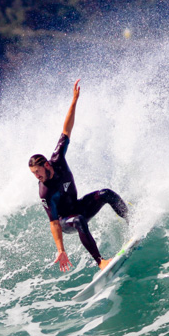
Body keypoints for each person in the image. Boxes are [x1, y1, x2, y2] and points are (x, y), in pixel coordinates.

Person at [29, 79, 128, 272]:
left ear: (46, 165)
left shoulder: (58, 159)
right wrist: (61, 250)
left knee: (106, 193)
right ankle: (100, 262)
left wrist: (74, 100)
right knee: (78, 220)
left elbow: (66, 130)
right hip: (66, 220)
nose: (37, 177)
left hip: (79, 206)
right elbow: (54, 223)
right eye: (33, 174)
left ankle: (132, 222)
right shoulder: (45, 192)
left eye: (37, 172)